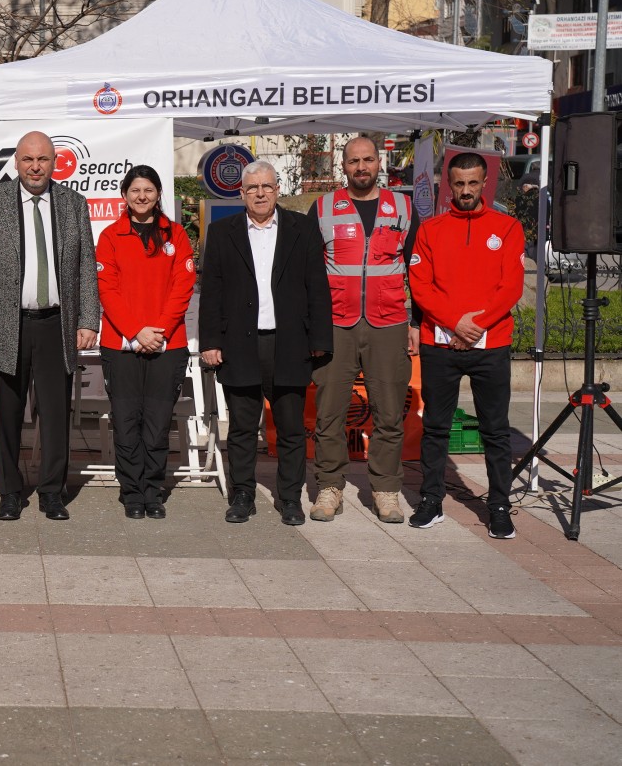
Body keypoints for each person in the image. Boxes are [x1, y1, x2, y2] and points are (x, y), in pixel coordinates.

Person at [0, 131, 101, 521]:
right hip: (5, 325)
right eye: (27, 160)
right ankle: (9, 492)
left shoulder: (73, 204)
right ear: (16, 162)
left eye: (43, 160)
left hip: (56, 324)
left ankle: (52, 492)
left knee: (56, 415)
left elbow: (86, 266)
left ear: (54, 162)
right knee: (5, 414)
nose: (35, 167)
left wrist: (89, 318)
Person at [199, 160, 332, 526]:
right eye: (253, 188)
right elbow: (211, 291)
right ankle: (242, 494)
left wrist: (319, 339)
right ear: (241, 194)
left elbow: (317, 287)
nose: (260, 193)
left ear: (277, 190)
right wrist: (210, 340)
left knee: (289, 428)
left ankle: (289, 497)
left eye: (267, 187)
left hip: (289, 343)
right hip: (239, 345)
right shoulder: (223, 231)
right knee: (241, 428)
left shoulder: (301, 228)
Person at [408, 151, 525, 539]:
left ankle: (499, 506)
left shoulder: (508, 228)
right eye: (458, 184)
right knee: (436, 427)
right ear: (449, 185)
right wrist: (454, 323)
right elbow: (421, 286)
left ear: (484, 183)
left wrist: (474, 326)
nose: (466, 191)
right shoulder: (430, 229)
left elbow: (511, 287)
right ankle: (430, 500)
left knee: (494, 429)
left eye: (473, 183)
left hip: (490, 346)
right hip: (439, 344)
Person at [307, 136, 421, 524]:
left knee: (389, 414)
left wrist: (418, 322)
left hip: (388, 322)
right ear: (343, 166)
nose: (361, 167)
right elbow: (308, 273)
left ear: (379, 163)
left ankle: (387, 491)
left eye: (368, 160)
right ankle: (329, 487)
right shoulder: (322, 208)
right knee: (329, 414)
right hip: (336, 323)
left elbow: (417, 269)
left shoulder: (403, 207)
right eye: (354, 161)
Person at [96, 166, 196, 520]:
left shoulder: (177, 235)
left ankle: (153, 491)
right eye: (135, 190)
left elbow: (182, 287)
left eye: (149, 190)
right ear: (124, 195)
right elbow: (107, 290)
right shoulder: (110, 236)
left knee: (157, 422)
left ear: (158, 194)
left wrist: (160, 331)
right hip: (121, 344)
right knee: (126, 420)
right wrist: (137, 331)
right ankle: (131, 492)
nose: (142, 196)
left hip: (167, 345)